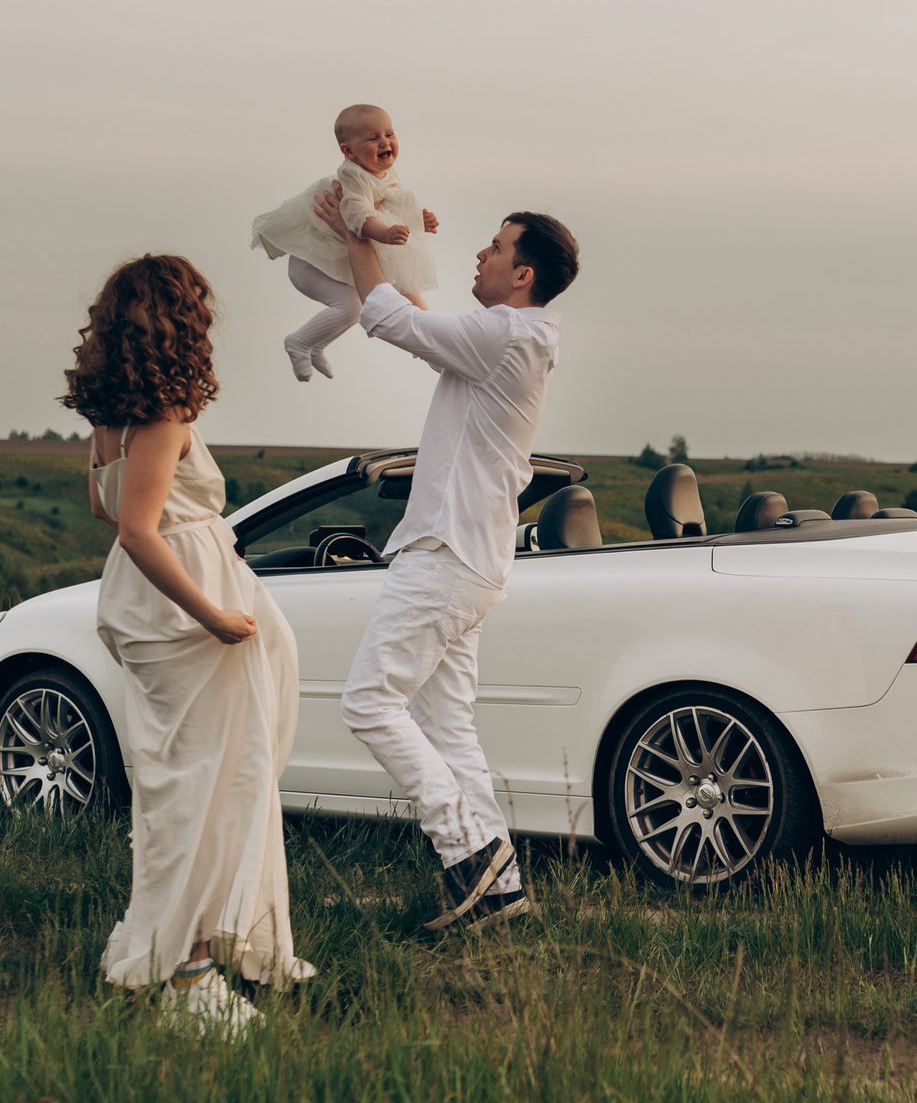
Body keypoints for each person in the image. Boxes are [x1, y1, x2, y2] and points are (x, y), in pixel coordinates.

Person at [313, 183, 578, 932]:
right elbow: (419, 320)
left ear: (522, 273)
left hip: (446, 553)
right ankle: (501, 892)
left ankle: (469, 853)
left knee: (368, 699)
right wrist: (384, 241)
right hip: (472, 556)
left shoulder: (508, 337)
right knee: (447, 726)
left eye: (495, 246)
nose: (480, 253)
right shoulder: (511, 339)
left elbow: (389, 317)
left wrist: (355, 229)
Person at [61, 254, 304, 1035]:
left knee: (182, 787)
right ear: (175, 323)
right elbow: (137, 531)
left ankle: (167, 947)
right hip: (181, 619)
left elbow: (107, 512)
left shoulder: (109, 417)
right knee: (206, 793)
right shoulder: (164, 415)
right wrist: (212, 612)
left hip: (148, 612)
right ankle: (189, 970)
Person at [249, 104, 439, 382]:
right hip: (312, 263)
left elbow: (391, 207)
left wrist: (420, 221)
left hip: (332, 261)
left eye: (389, 134)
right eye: (373, 138)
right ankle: (299, 343)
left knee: (397, 287)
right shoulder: (353, 176)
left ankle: (431, 346)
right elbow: (357, 213)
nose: (385, 142)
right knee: (354, 307)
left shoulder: (384, 175)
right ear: (349, 152)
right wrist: (384, 233)